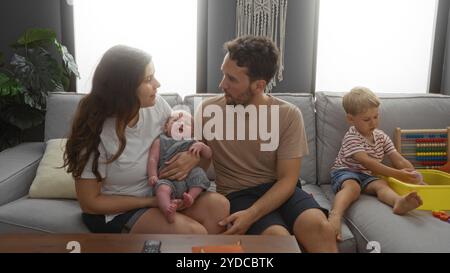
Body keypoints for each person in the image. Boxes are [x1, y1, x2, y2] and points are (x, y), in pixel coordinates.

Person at [63, 45, 228, 234]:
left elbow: (181, 143)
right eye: (148, 79)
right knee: (193, 233)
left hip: (163, 192)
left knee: (219, 207)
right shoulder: (95, 132)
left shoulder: (156, 105)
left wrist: (192, 158)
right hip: (119, 210)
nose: (158, 84)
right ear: (124, 89)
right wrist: (152, 201)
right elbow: (90, 203)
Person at [195, 36, 338, 252]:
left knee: (320, 228)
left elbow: (288, 180)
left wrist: (252, 215)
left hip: (281, 190)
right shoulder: (207, 111)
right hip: (237, 193)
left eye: (231, 79)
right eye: (223, 74)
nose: (221, 84)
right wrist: (192, 158)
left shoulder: (288, 114)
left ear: (259, 85)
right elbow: (198, 169)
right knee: (276, 239)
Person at [328, 87, 424, 241]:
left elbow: (397, 158)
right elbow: (367, 162)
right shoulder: (351, 137)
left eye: (376, 116)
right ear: (351, 119)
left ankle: (398, 202)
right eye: (367, 119)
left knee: (382, 185)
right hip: (345, 172)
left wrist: (413, 175)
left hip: (368, 175)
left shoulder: (381, 136)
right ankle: (335, 215)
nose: (373, 123)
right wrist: (398, 174)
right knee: (353, 188)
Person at [148, 110, 212, 223]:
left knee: (199, 173)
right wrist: (152, 175)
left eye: (186, 123)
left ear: (192, 131)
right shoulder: (160, 141)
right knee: (161, 189)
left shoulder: (193, 142)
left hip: (188, 180)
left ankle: (190, 198)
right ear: (166, 127)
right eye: (175, 120)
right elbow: (153, 159)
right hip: (167, 179)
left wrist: (202, 146)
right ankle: (168, 210)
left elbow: (208, 155)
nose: (181, 123)